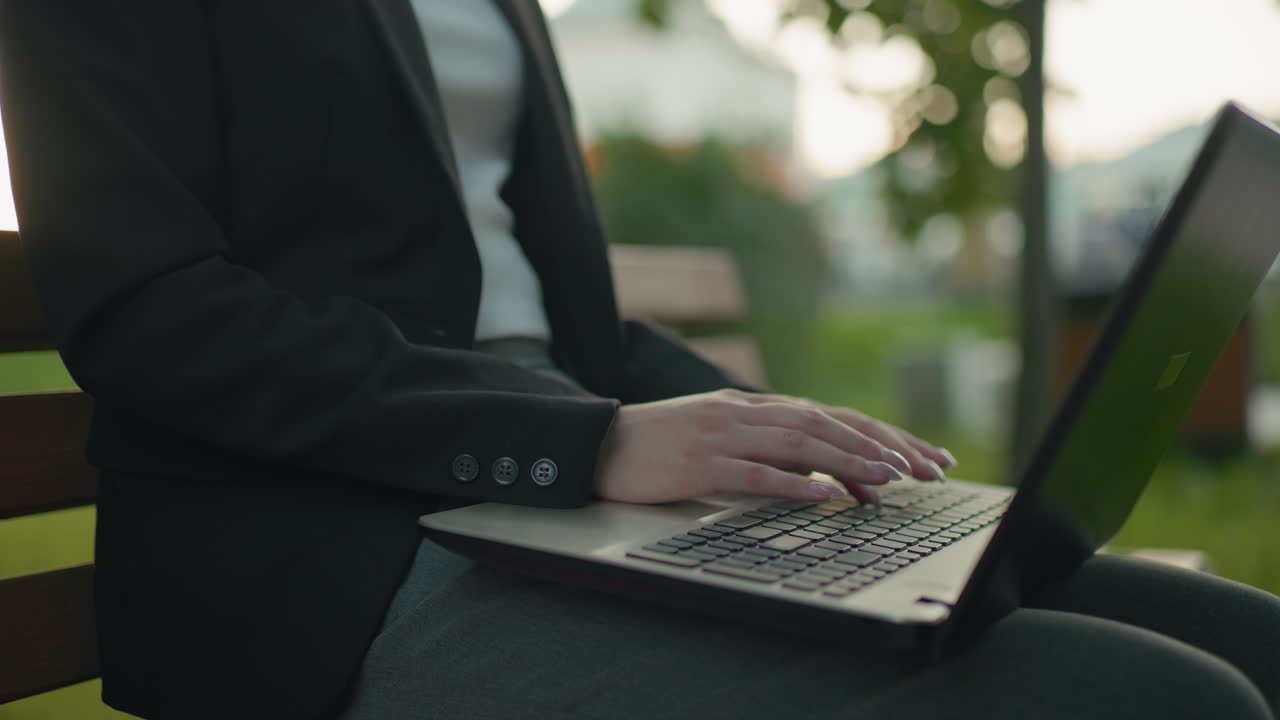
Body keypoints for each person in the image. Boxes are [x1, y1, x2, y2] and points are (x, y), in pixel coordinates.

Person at [0, 2, 1276, 719]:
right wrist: (587, 439)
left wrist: (766, 424)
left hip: (565, 489)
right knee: (1151, 702)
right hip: (333, 547)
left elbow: (573, 322)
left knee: (1242, 642)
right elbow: (149, 311)